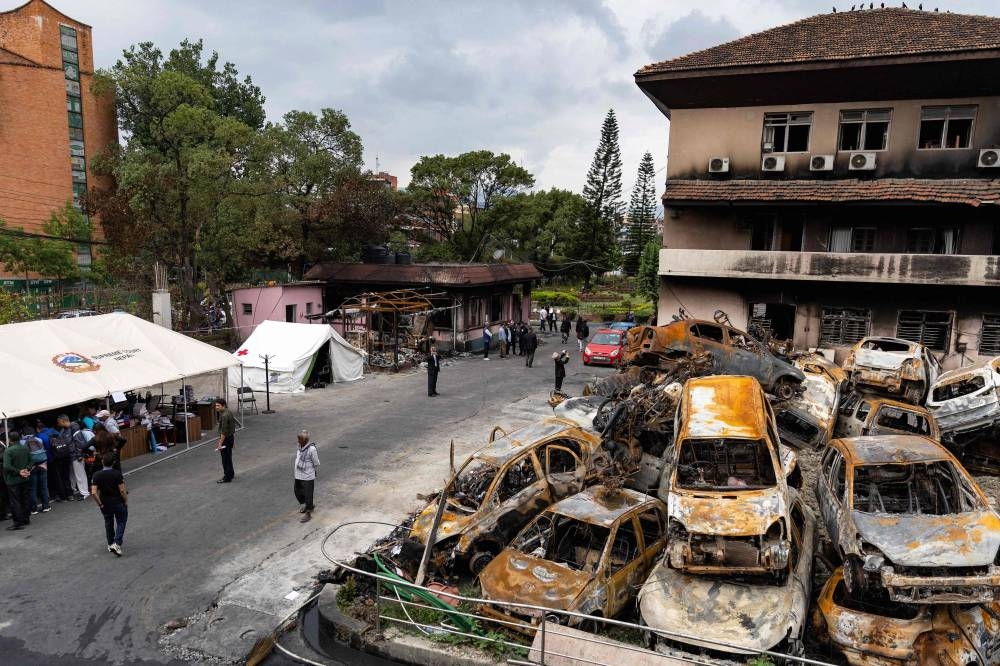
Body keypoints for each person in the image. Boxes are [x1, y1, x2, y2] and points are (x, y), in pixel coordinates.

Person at [91, 452, 128, 556]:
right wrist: (125, 500)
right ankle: (117, 543)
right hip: (118, 502)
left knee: (108, 522)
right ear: (114, 462)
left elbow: (93, 492)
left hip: (105, 503)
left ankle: (110, 543)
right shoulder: (117, 474)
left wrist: (100, 504)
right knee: (121, 521)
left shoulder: (96, 475)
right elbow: (122, 490)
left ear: (102, 461)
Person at [4, 431, 31, 530]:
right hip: (25, 478)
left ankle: (18, 523)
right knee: (25, 498)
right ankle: (26, 519)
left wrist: (19, 471)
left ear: (10, 439)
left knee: (15, 501)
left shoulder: (9, 450)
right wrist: (26, 469)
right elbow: (31, 460)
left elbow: (6, 466)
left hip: (13, 480)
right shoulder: (25, 448)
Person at [293, 430, 320, 523]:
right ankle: (307, 505)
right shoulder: (299, 447)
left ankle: (308, 513)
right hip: (298, 474)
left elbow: (316, 463)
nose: (298, 441)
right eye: (298, 439)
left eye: (300, 439)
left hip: (308, 475)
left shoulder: (312, 449)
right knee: (297, 491)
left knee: (308, 495)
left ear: (305, 440)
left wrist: (313, 471)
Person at [23, 429, 51, 515]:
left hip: (32, 467)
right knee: (44, 486)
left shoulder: (22, 442)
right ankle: (46, 506)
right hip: (43, 464)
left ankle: (33, 509)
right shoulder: (39, 439)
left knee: (32, 488)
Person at [49, 415, 74, 503]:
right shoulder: (62, 434)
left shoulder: (52, 438)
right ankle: (70, 495)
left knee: (59, 477)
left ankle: (63, 496)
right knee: (66, 476)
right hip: (66, 457)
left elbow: (52, 450)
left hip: (58, 459)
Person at [215, 399, 236, 483]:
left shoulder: (224, 415)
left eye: (218, 405)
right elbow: (232, 426)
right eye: (216, 405)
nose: (216, 407)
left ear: (223, 405)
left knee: (225, 459)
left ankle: (227, 477)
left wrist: (220, 443)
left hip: (226, 439)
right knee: (229, 457)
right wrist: (233, 441)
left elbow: (224, 431)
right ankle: (231, 473)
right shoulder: (228, 412)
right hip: (230, 437)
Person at [71, 422, 95, 499]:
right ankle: (91, 487)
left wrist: (80, 455)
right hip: (91, 454)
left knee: (86, 472)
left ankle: (88, 489)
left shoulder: (79, 433)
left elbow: (83, 446)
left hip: (88, 454)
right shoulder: (89, 431)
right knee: (89, 470)